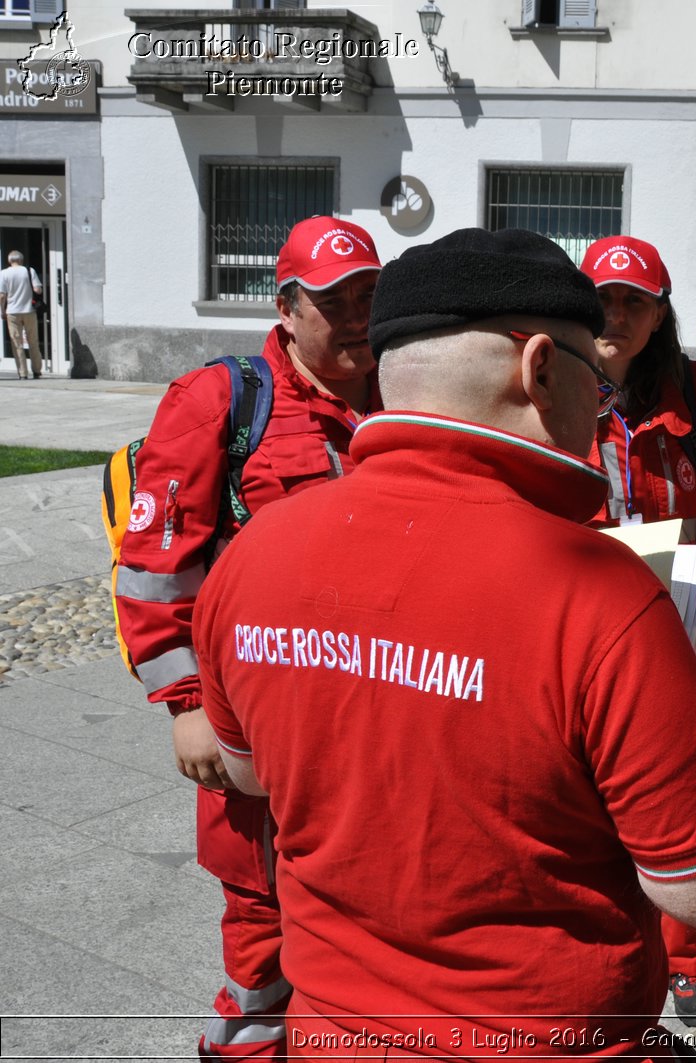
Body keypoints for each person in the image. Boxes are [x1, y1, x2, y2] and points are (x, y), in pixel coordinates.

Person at [192, 227, 696, 1061]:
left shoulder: (253, 553)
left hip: (330, 1032)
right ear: (538, 367)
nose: (600, 410)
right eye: (593, 384)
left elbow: (247, 769)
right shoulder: (605, 596)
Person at [113, 215, 381, 1060]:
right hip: (253, 713)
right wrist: (185, 702)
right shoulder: (220, 400)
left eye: (370, 296)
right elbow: (156, 568)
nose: (357, 318)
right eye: (335, 301)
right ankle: (246, 1045)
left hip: (374, 702)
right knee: (261, 906)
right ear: (287, 305)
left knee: (361, 893)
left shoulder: (400, 399)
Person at [578, 234, 696, 1028]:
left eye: (636, 301)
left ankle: (685, 961)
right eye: (605, 297)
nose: (617, 313)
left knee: (682, 787)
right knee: (582, 793)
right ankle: (598, 949)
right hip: (578, 633)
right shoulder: (547, 383)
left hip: (683, 632)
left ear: (661, 314)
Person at [1, 250, 44, 379]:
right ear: (21, 260)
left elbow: (2, 295)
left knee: (17, 343)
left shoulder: (4, 273)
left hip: (13, 312)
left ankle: (22, 373)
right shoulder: (29, 271)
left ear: (9, 260)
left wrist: (2, 311)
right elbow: (38, 289)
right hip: (29, 311)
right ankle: (37, 370)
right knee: (33, 341)